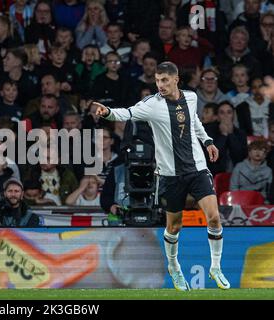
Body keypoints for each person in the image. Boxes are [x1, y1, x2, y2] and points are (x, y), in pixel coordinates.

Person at [94, 61, 230, 291]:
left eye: (165, 80)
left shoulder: (191, 97)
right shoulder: (151, 104)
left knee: (214, 218)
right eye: (157, 81)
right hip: (169, 175)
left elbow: (194, 122)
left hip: (197, 169)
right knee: (174, 227)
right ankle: (174, 266)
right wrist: (107, 112)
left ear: (176, 79)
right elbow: (127, 113)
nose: (160, 85)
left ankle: (216, 267)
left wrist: (207, 141)